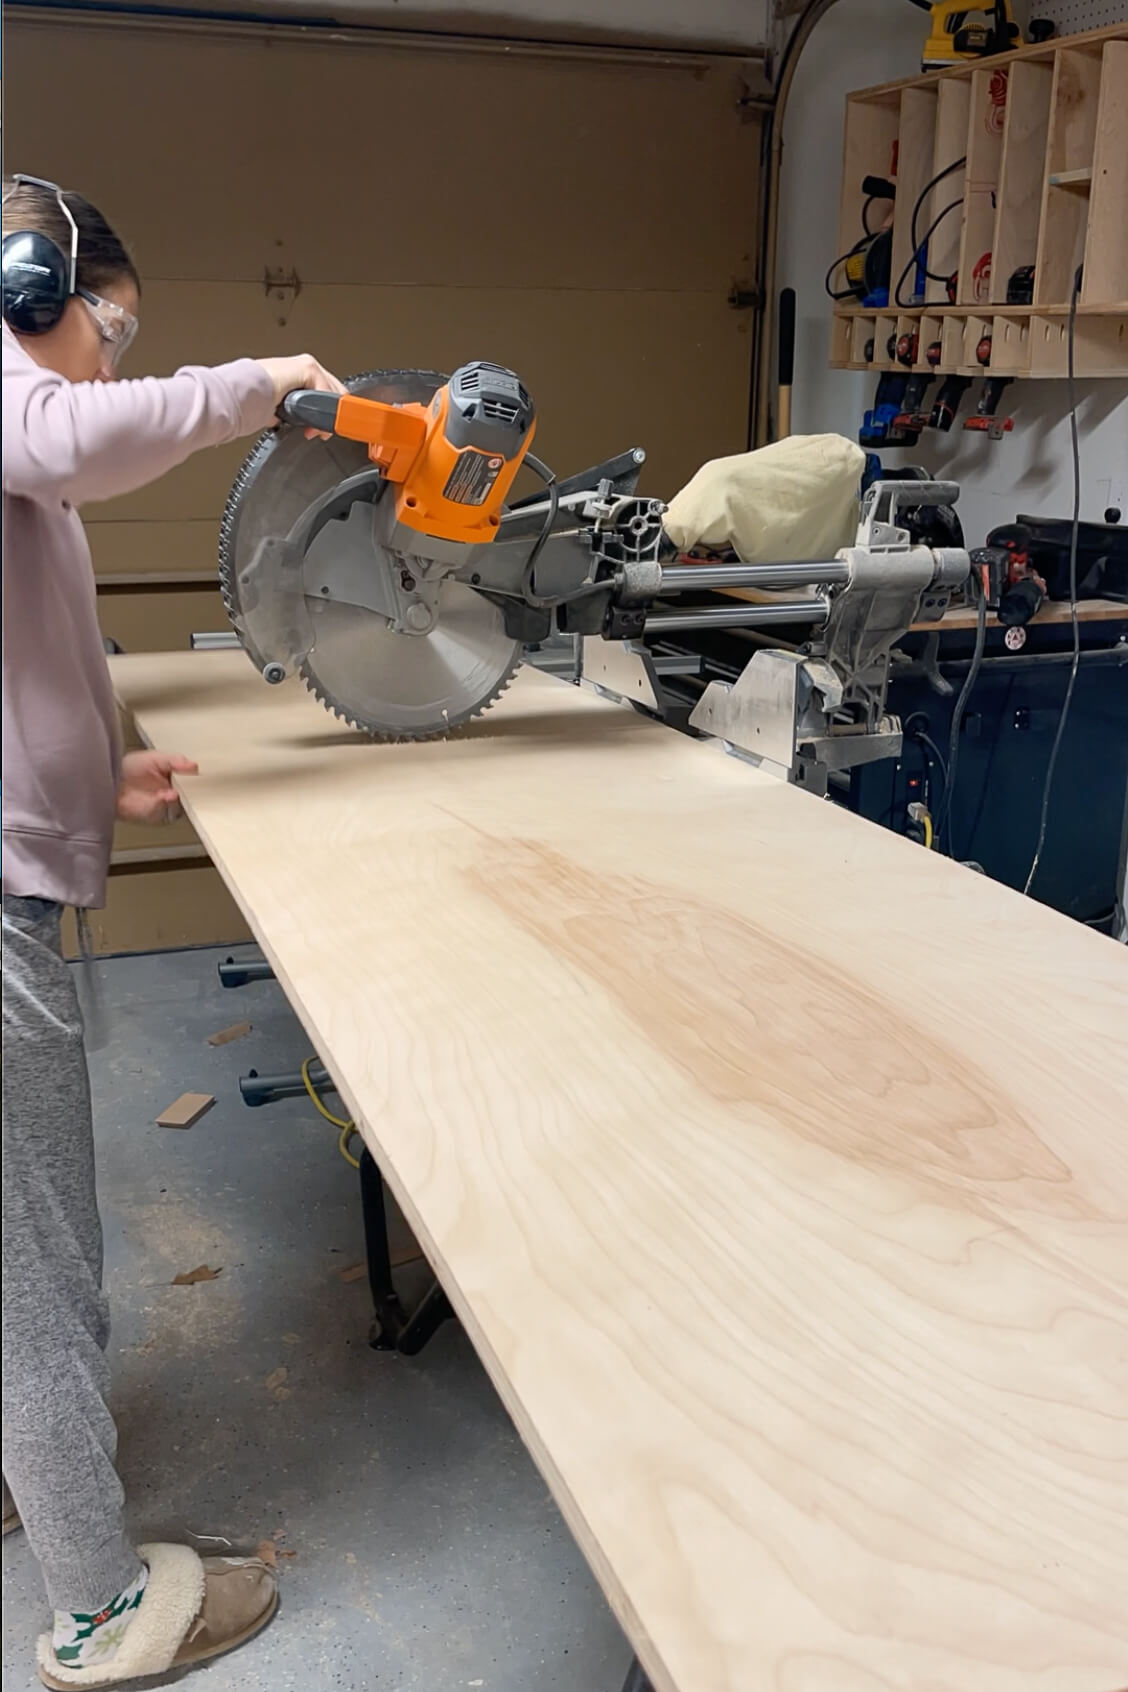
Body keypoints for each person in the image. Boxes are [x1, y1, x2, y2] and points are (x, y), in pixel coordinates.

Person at [2, 173, 345, 1689]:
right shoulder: (26, 409)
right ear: (31, 291)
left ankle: (27, 1471)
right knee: (38, 1263)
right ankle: (92, 1607)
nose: (113, 365)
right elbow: (71, 431)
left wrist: (99, 769)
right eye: (110, 327)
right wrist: (262, 383)